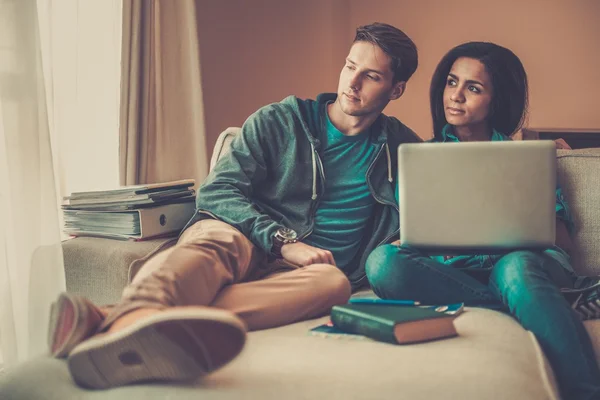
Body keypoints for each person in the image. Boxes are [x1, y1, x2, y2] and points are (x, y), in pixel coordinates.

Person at [48, 22, 422, 389]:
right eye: (350, 66)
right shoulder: (281, 120)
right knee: (219, 241)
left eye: (371, 76)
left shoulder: (401, 149)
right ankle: (134, 320)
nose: (351, 83)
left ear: (397, 88)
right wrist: (282, 241)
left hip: (304, 272)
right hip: (244, 236)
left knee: (334, 284)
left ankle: (110, 317)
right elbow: (218, 191)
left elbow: (437, 210)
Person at [365, 41, 600, 400]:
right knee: (382, 262)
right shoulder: (420, 159)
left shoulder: (527, 156)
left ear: (497, 99)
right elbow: (418, 239)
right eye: (451, 82)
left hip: (525, 264)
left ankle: (584, 391)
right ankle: (529, 305)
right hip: (456, 272)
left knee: (515, 268)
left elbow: (562, 244)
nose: (455, 95)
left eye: (472, 88)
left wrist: (530, 188)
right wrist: (408, 242)